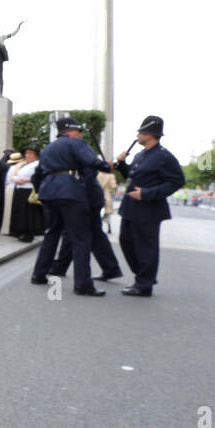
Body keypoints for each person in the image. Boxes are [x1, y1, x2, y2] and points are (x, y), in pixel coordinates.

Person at [29, 117, 111, 296]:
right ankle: (83, 284)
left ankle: (39, 274)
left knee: (52, 233)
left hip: (49, 192)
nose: (80, 134)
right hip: (71, 192)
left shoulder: (48, 149)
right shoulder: (75, 143)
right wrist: (106, 165)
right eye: (78, 131)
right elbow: (92, 161)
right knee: (81, 238)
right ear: (69, 132)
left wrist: (44, 190)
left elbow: (37, 176)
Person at [114, 115, 185, 297]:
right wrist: (121, 164)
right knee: (126, 242)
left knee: (146, 248)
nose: (137, 136)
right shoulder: (140, 155)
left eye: (140, 133)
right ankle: (144, 276)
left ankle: (144, 284)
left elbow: (176, 181)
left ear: (150, 135)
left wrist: (147, 193)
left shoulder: (164, 157)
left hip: (149, 209)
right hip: (131, 206)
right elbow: (132, 175)